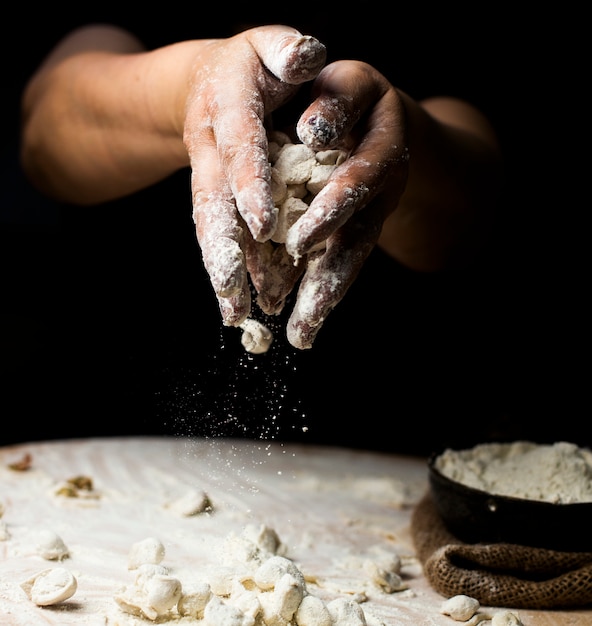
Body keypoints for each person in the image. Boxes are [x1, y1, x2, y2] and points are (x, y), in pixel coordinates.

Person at [7, 11, 581, 454]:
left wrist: (396, 140)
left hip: (391, 421)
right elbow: (41, 140)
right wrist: (189, 86)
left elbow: (474, 222)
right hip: (103, 408)